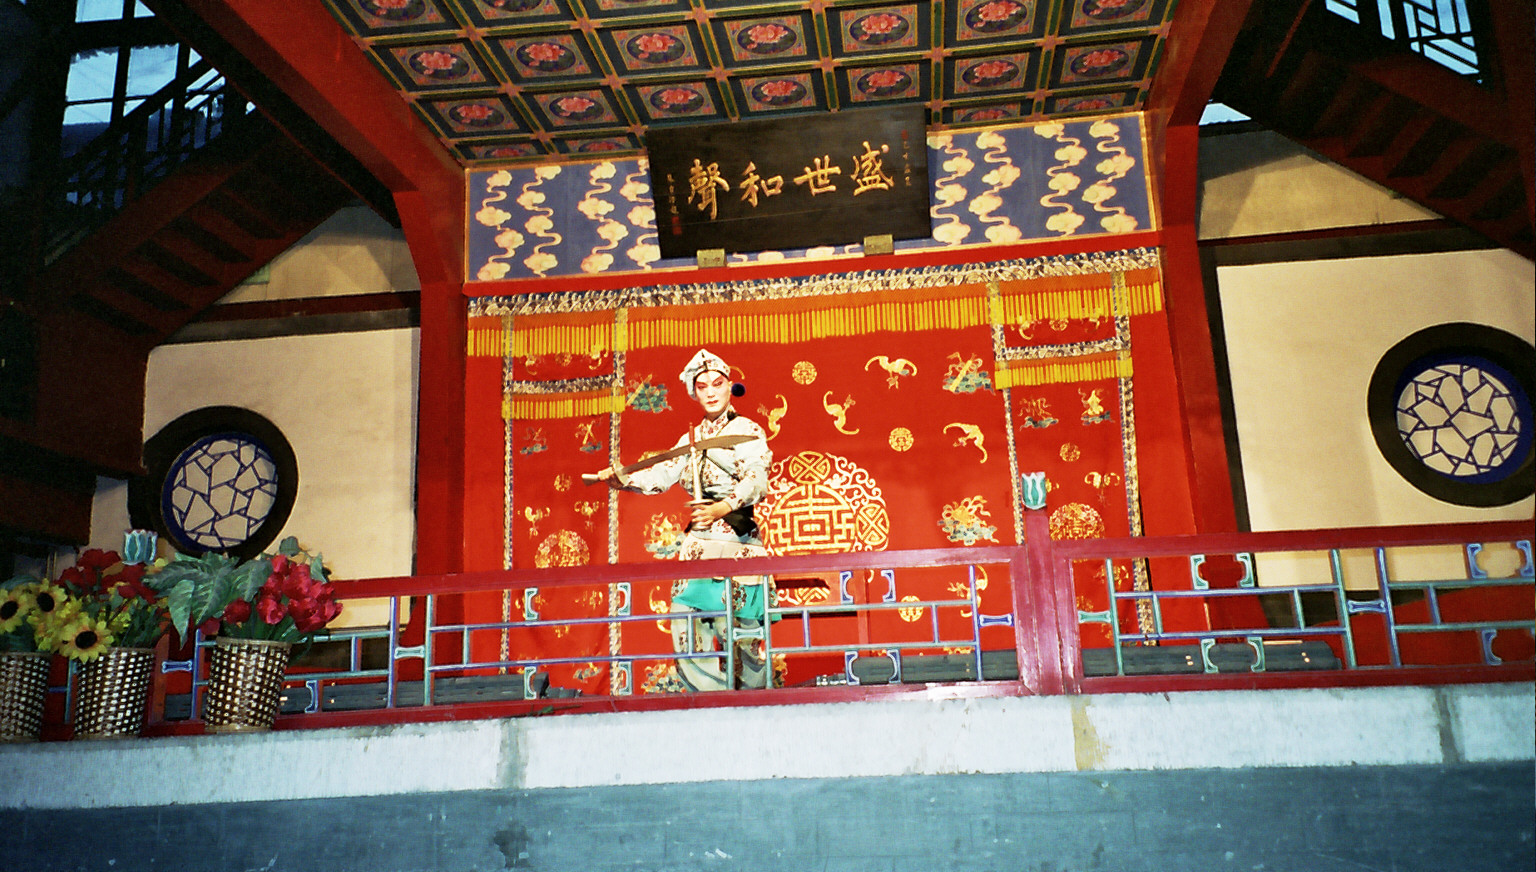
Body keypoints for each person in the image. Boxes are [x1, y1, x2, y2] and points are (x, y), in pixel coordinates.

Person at [591, 349, 774, 691]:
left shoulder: (747, 429)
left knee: (741, 634)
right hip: (698, 546)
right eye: (702, 386)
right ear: (694, 393)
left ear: (730, 386)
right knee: (686, 624)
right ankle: (710, 701)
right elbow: (662, 474)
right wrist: (623, 480)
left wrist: (722, 507)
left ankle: (754, 701)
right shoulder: (689, 439)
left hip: (738, 543)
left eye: (717, 384)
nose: (711, 392)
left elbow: (757, 479)